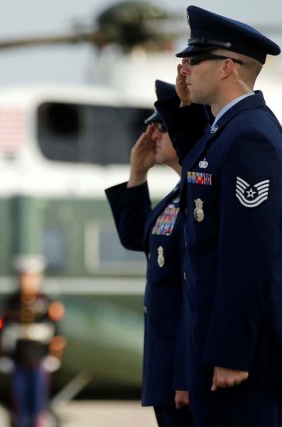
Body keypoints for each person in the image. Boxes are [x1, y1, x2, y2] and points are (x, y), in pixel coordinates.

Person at [154, 6, 282, 426]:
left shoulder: (250, 135)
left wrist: (232, 354)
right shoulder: (225, 131)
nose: (183, 67)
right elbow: (197, 162)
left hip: (241, 360)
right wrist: (180, 101)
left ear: (225, 67)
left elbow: (249, 255)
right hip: (213, 348)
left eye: (193, 59)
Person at [105, 80, 193, 427]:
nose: (153, 136)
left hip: (184, 368)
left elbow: (194, 292)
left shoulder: (198, 197)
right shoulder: (177, 196)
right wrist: (137, 173)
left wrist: (186, 375)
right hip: (166, 365)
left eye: (163, 128)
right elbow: (138, 238)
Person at [0, 254, 66, 427]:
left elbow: (56, 331)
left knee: (38, 401)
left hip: (39, 357)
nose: (28, 281)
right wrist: (2, 355)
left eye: (32, 277)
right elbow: (0, 330)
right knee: (19, 400)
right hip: (18, 357)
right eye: (24, 276)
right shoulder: (11, 302)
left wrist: (54, 356)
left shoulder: (47, 302)